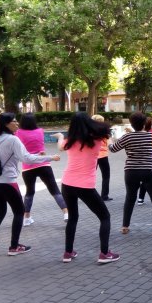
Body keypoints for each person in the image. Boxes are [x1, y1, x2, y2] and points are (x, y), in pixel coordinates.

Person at [0, 113, 60, 255]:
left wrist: (39, 156)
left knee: (0, 212)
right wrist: (50, 158)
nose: (17, 123)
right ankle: (14, 246)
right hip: (7, 181)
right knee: (19, 212)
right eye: (14, 121)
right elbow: (26, 158)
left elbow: (22, 156)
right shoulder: (13, 139)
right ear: (6, 124)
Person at [53, 113, 119, 264]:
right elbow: (107, 130)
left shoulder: (70, 141)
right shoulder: (96, 139)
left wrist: (60, 136)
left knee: (72, 218)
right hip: (85, 185)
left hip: (67, 184)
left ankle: (68, 253)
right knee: (105, 217)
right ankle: (104, 253)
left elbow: (60, 147)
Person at [108, 111, 152, 237]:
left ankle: (125, 227)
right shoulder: (150, 136)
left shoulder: (127, 137)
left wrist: (109, 139)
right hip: (148, 170)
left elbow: (113, 149)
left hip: (131, 171)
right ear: (145, 123)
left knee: (130, 199)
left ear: (131, 124)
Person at [15, 113, 69, 226]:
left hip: (28, 166)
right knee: (54, 189)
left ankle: (26, 218)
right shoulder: (40, 131)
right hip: (43, 163)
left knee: (29, 192)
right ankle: (66, 212)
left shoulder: (18, 133)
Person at [91, 114, 112, 201]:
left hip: (93, 156)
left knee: (90, 175)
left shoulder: (90, 131)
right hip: (103, 156)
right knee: (106, 176)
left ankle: (89, 194)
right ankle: (104, 196)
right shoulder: (105, 131)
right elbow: (109, 142)